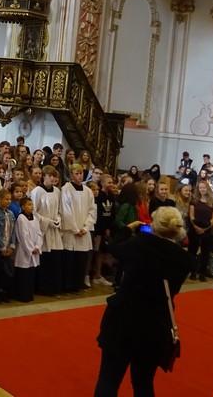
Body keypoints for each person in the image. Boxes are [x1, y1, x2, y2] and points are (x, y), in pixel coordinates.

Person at [93, 207, 192, 397]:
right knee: (143, 383)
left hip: (124, 320)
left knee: (108, 379)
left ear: (153, 225)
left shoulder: (139, 245)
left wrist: (128, 229)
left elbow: (113, 246)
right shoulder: (184, 260)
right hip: (155, 323)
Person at [61, 163, 96, 293]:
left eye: (81, 173)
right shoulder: (66, 189)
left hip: (84, 231)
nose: (80, 176)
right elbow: (66, 211)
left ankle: (78, 283)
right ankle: (67, 285)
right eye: (77, 173)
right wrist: (75, 229)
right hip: (71, 232)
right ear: (71, 175)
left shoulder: (88, 191)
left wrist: (86, 228)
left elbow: (92, 210)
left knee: (82, 259)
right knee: (69, 260)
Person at [32, 165, 63, 296]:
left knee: (54, 260)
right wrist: (47, 221)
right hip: (43, 230)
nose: (53, 178)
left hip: (54, 230)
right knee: (43, 259)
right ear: (44, 176)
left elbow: (59, 209)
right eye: (51, 176)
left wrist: (57, 219)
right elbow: (33, 211)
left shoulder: (57, 191)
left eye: (55, 176)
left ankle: (52, 287)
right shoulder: (37, 191)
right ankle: (42, 287)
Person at [187, 179, 213, 282]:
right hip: (194, 228)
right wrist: (196, 227)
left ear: (208, 188)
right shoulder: (194, 200)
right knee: (192, 251)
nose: (202, 189)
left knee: (205, 252)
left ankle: (202, 273)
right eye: (200, 187)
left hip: (208, 229)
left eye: (204, 187)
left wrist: (205, 228)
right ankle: (192, 272)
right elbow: (191, 215)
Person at [0, 188, 16, 303]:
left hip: (7, 246)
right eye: (6, 199)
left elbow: (13, 231)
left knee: (6, 270)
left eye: (10, 199)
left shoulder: (10, 214)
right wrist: (2, 247)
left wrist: (12, 245)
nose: (9, 201)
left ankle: (3, 290)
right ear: (0, 199)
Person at [14, 196, 42, 303]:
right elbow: (23, 236)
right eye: (29, 205)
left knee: (31, 274)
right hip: (24, 251)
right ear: (23, 207)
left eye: (32, 205)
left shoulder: (34, 218)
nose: (32, 207)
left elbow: (39, 234)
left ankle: (30, 294)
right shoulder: (21, 218)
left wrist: (38, 247)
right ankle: (22, 296)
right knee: (23, 275)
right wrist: (31, 248)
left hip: (34, 250)